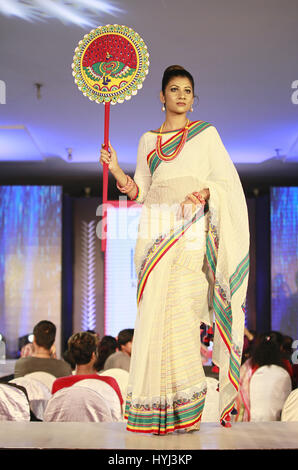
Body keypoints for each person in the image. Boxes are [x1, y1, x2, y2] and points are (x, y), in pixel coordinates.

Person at [100, 65, 249, 434]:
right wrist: (117, 171)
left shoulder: (206, 135)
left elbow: (227, 182)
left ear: (193, 98)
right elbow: (142, 192)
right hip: (154, 237)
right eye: (174, 89)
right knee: (153, 319)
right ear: (161, 96)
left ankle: (185, 414)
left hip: (189, 234)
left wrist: (207, 192)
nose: (181, 96)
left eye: (187, 90)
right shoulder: (147, 140)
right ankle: (154, 413)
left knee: (181, 317)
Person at [235, 331, 292, 422]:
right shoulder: (285, 366)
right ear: (280, 347)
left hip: (250, 421)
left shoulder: (248, 368)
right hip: (279, 422)